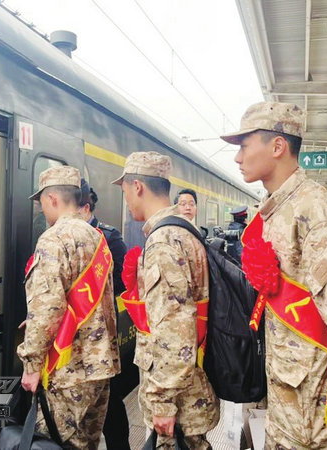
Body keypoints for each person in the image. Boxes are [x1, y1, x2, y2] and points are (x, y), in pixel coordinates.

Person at [222, 101, 327, 449]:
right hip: (290, 412)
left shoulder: (312, 209)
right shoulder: (277, 209)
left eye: (244, 145)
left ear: (277, 146)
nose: (238, 158)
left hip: (318, 422)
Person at [113, 151, 219, 449]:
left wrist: (162, 401)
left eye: (125, 191)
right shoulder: (183, 231)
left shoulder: (164, 241)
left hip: (179, 401)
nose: (126, 200)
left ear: (137, 187)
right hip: (189, 388)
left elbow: (175, 326)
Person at [18, 166, 120, 450]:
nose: (41, 210)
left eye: (41, 202)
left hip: (68, 368)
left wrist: (31, 365)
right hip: (99, 367)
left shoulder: (54, 238)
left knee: (51, 442)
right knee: (86, 443)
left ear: (52, 198)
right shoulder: (97, 237)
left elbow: (48, 306)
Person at [78, 178, 131, 450]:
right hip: (73, 336)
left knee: (109, 400)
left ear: (86, 208)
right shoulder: (61, 237)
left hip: (101, 335)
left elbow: (123, 281)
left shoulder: (109, 237)